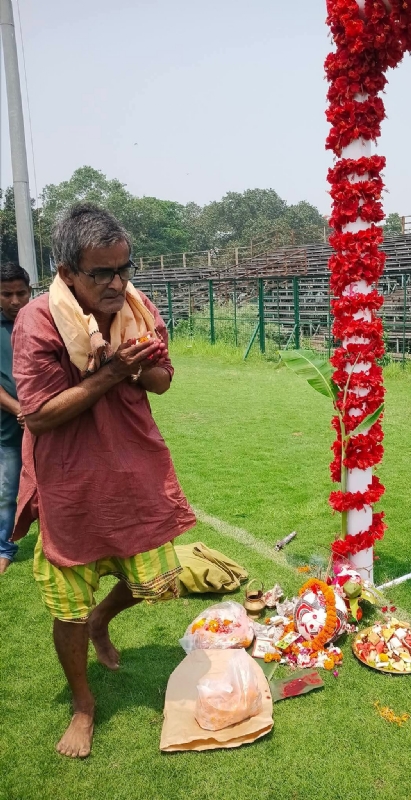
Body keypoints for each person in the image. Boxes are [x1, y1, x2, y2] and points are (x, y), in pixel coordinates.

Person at [11, 203, 197, 759]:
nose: (118, 283)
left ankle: (102, 620)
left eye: (125, 268)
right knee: (65, 608)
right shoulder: (38, 321)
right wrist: (112, 372)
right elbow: (39, 415)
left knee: (156, 581)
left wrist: (136, 366)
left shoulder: (137, 310)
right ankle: (83, 704)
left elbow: (163, 381)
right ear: (68, 272)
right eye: (103, 273)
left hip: (134, 470)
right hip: (70, 484)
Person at [0, 263, 31, 573]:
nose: (14, 300)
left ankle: (61, 544)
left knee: (53, 489)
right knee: (7, 491)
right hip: (9, 430)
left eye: (20, 292)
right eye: (6, 294)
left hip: (48, 425)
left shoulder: (43, 323)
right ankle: (4, 548)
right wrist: (17, 408)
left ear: (30, 291)